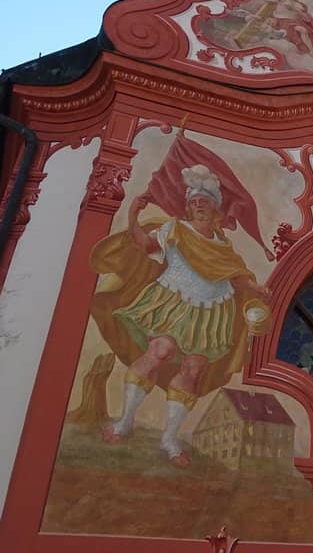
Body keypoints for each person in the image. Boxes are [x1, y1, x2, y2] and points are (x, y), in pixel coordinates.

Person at [96, 164, 270, 466]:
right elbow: (147, 245)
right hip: (174, 300)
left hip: (212, 311)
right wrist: (133, 215)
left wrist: (257, 289)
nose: (199, 205)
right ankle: (125, 421)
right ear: (188, 208)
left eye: (206, 201)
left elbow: (237, 277)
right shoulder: (176, 229)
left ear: (215, 210)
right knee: (159, 350)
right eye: (194, 201)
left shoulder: (225, 249)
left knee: (194, 369)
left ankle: (169, 438)